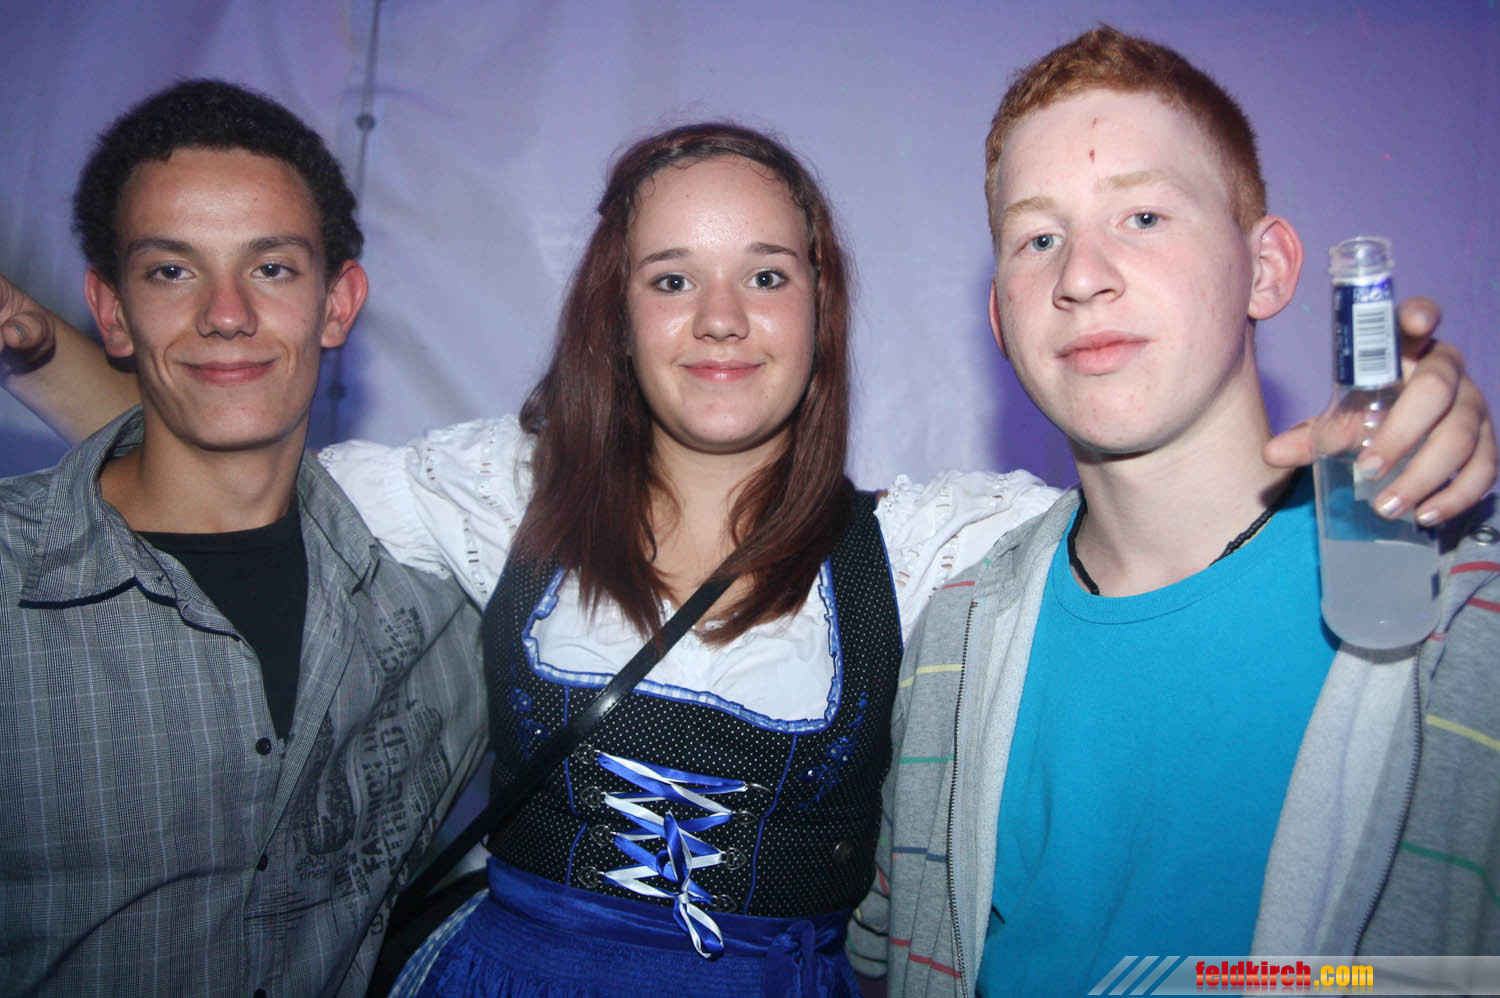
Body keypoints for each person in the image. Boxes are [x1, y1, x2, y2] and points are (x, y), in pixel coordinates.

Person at [2, 116, 1492, 995]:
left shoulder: (921, 544)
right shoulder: (500, 493)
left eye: (765, 273)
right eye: (673, 278)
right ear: (617, 311)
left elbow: (1172, 504)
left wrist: (1398, 441)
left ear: (821, 308)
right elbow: (229, 447)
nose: (721, 319)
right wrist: (45, 346)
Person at [845, 25, 1500, 997]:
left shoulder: (1463, 610)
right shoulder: (957, 635)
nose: (1081, 275)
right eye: (1038, 238)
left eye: (1144, 216)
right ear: (1000, 319)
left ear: (1266, 269)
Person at [0, 81, 486, 995]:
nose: (226, 313)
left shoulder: (438, 604)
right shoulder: (15, 583)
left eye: (271, 268)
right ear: (112, 312)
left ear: (337, 304)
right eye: (171, 271)